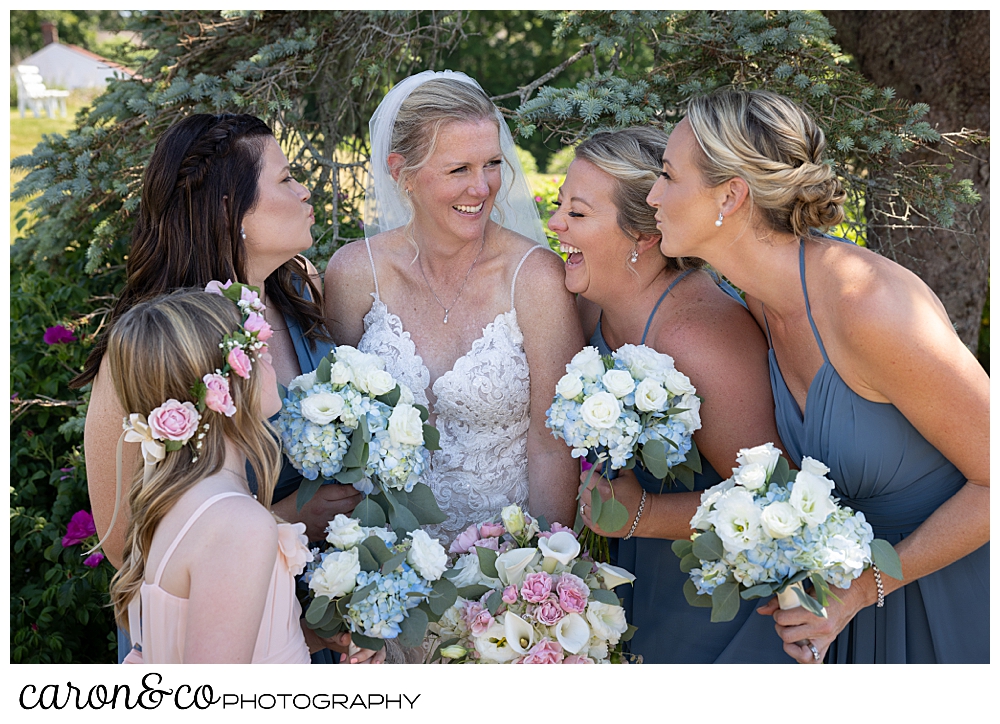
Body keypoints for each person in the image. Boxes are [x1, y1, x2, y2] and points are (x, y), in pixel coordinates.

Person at [647, 89, 989, 664]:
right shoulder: (757, 299)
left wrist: (861, 590)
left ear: (730, 196)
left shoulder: (869, 306)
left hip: (950, 597)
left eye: (667, 176)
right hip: (848, 608)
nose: (653, 196)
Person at [73, 113, 364, 663]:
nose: (305, 190)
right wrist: (291, 522)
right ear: (233, 212)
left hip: (325, 620)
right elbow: (122, 539)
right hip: (222, 634)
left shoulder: (301, 291)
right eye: (285, 179)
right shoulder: (157, 347)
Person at [548, 127, 790, 663]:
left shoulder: (702, 338)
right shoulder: (589, 307)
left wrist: (644, 516)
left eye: (578, 213)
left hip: (714, 606)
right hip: (629, 584)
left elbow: (775, 499)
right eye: (558, 203)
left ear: (644, 235)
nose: (555, 224)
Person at [325, 71, 582, 544]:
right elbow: (336, 425)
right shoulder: (356, 274)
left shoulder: (535, 277)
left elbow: (551, 445)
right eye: (458, 169)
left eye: (491, 164)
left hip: (504, 568)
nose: (483, 188)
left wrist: (544, 569)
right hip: (381, 567)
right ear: (400, 172)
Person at [108, 290, 322, 663]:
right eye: (258, 352)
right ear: (222, 388)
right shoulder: (237, 523)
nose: (271, 361)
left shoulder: (176, 503)